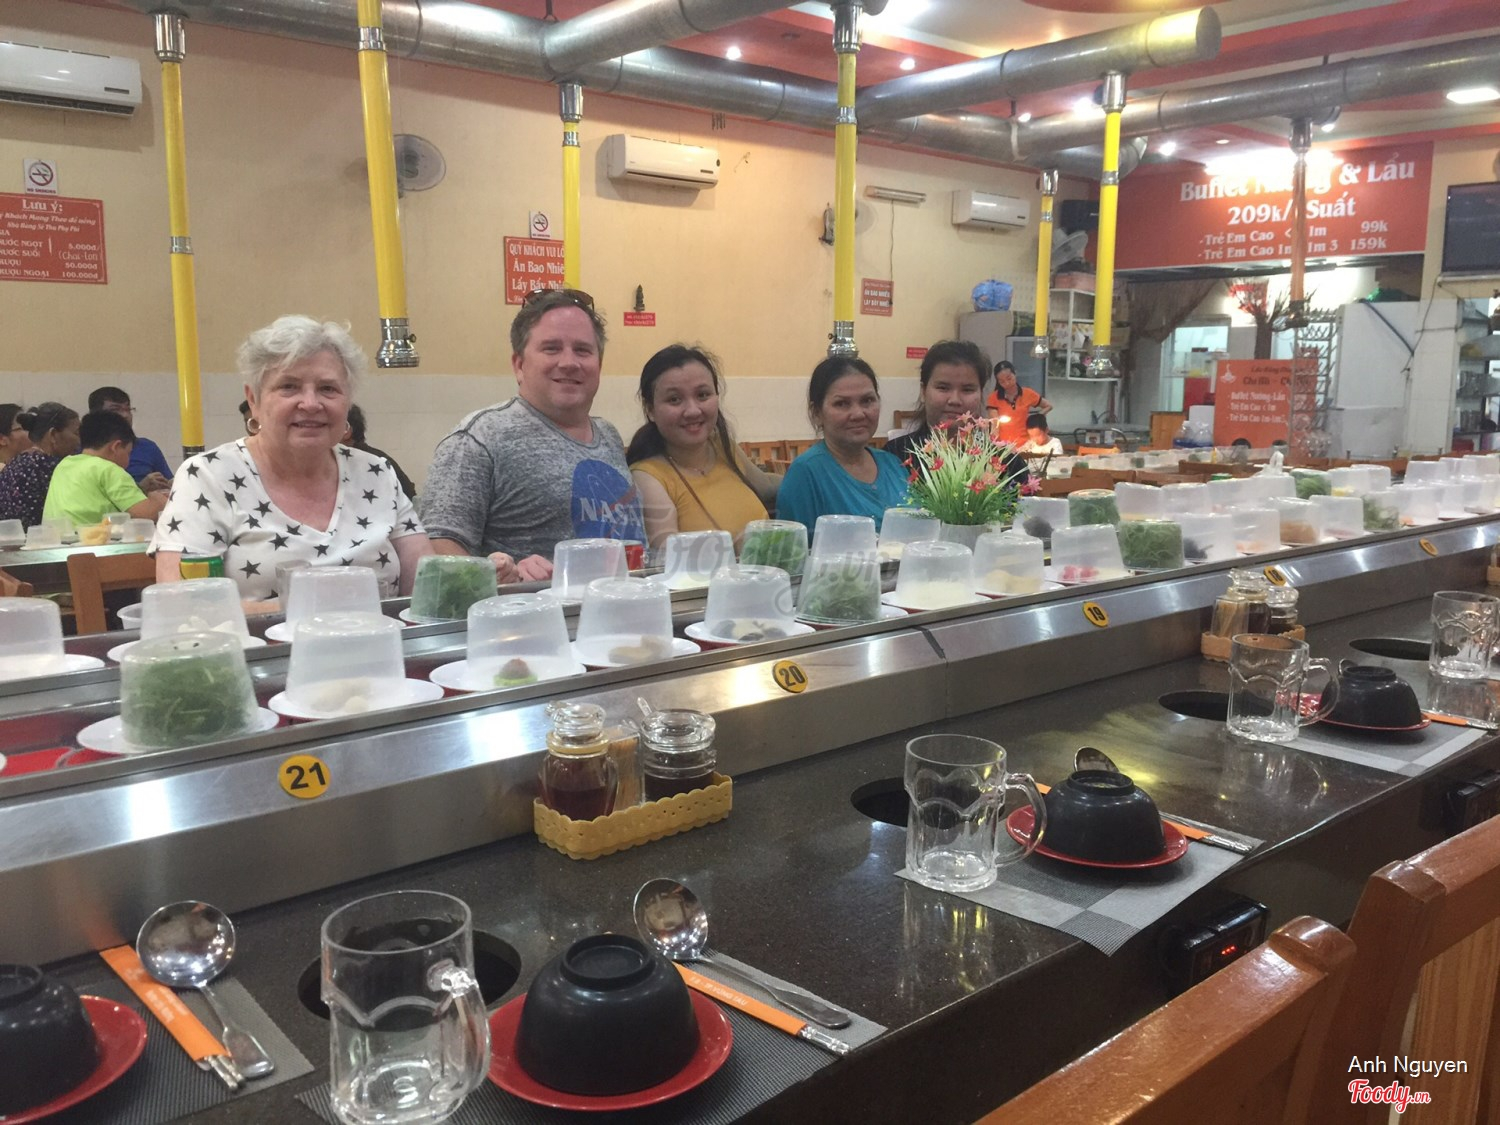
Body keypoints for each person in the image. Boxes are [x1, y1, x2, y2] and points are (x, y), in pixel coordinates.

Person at [152, 316, 436, 606]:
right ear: (253, 400)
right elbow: (183, 605)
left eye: (328, 389)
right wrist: (317, 609)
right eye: (289, 386)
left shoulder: (376, 473)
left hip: (380, 635)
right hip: (257, 639)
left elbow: (429, 592)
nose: (311, 403)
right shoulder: (207, 477)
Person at [421, 288, 645, 581]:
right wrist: (497, 576)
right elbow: (436, 552)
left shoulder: (608, 434)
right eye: (551, 348)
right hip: (532, 610)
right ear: (519, 365)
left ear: (598, 365)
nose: (569, 362)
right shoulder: (480, 437)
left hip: (624, 603)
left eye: (582, 350)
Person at [627, 345, 778, 550]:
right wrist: (736, 549)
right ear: (650, 410)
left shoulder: (723, 448)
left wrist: (804, 471)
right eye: (674, 399)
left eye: (703, 395)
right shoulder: (648, 477)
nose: (693, 410)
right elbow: (666, 557)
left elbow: (767, 485)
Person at [776, 356, 909, 531]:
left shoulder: (893, 465)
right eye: (842, 404)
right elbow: (793, 546)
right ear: (817, 413)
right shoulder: (806, 474)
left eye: (867, 400)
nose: (858, 414)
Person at [43, 411, 167, 528]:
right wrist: (158, 498)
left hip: (55, 539)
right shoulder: (109, 470)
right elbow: (147, 515)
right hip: (92, 540)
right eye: (128, 453)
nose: (128, 461)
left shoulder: (65, 464)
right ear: (116, 447)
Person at [884, 340, 993, 466]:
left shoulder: (1001, 459)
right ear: (923, 391)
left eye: (967, 390)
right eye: (943, 388)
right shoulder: (894, 455)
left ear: (981, 394)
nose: (955, 400)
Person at [0, 403, 81, 528]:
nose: (80, 441)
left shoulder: (14, 464)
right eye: (76, 433)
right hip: (44, 537)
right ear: (53, 434)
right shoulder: (52, 466)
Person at [89, 386, 172, 492]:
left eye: (128, 409)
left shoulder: (147, 447)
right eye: (116, 410)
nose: (125, 415)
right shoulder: (83, 451)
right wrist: (140, 487)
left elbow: (169, 482)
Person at [346, 404, 417, 501]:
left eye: (328, 426)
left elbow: (408, 495)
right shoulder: (375, 459)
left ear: (346, 430)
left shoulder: (374, 462)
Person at [987, 361, 1052, 447]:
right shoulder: (994, 398)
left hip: (1026, 444)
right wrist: (993, 444)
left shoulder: (1028, 393)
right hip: (1003, 445)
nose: (1007, 383)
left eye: (1009, 378)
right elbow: (995, 425)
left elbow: (1048, 406)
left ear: (1015, 373)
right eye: (1002, 381)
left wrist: (1035, 417)